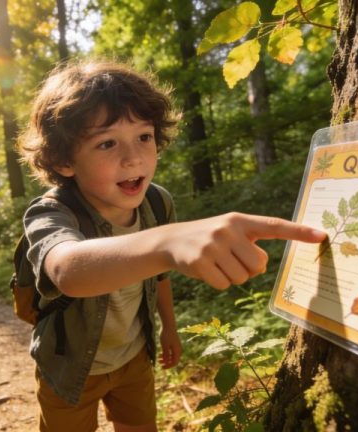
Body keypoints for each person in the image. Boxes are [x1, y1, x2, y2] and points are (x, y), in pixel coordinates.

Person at [16, 60, 326, 432]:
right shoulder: (50, 212)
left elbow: (159, 274)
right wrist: (166, 241)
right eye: (107, 142)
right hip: (67, 367)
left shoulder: (157, 203)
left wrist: (170, 328)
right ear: (64, 160)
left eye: (144, 136)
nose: (134, 157)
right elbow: (67, 270)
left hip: (133, 359)